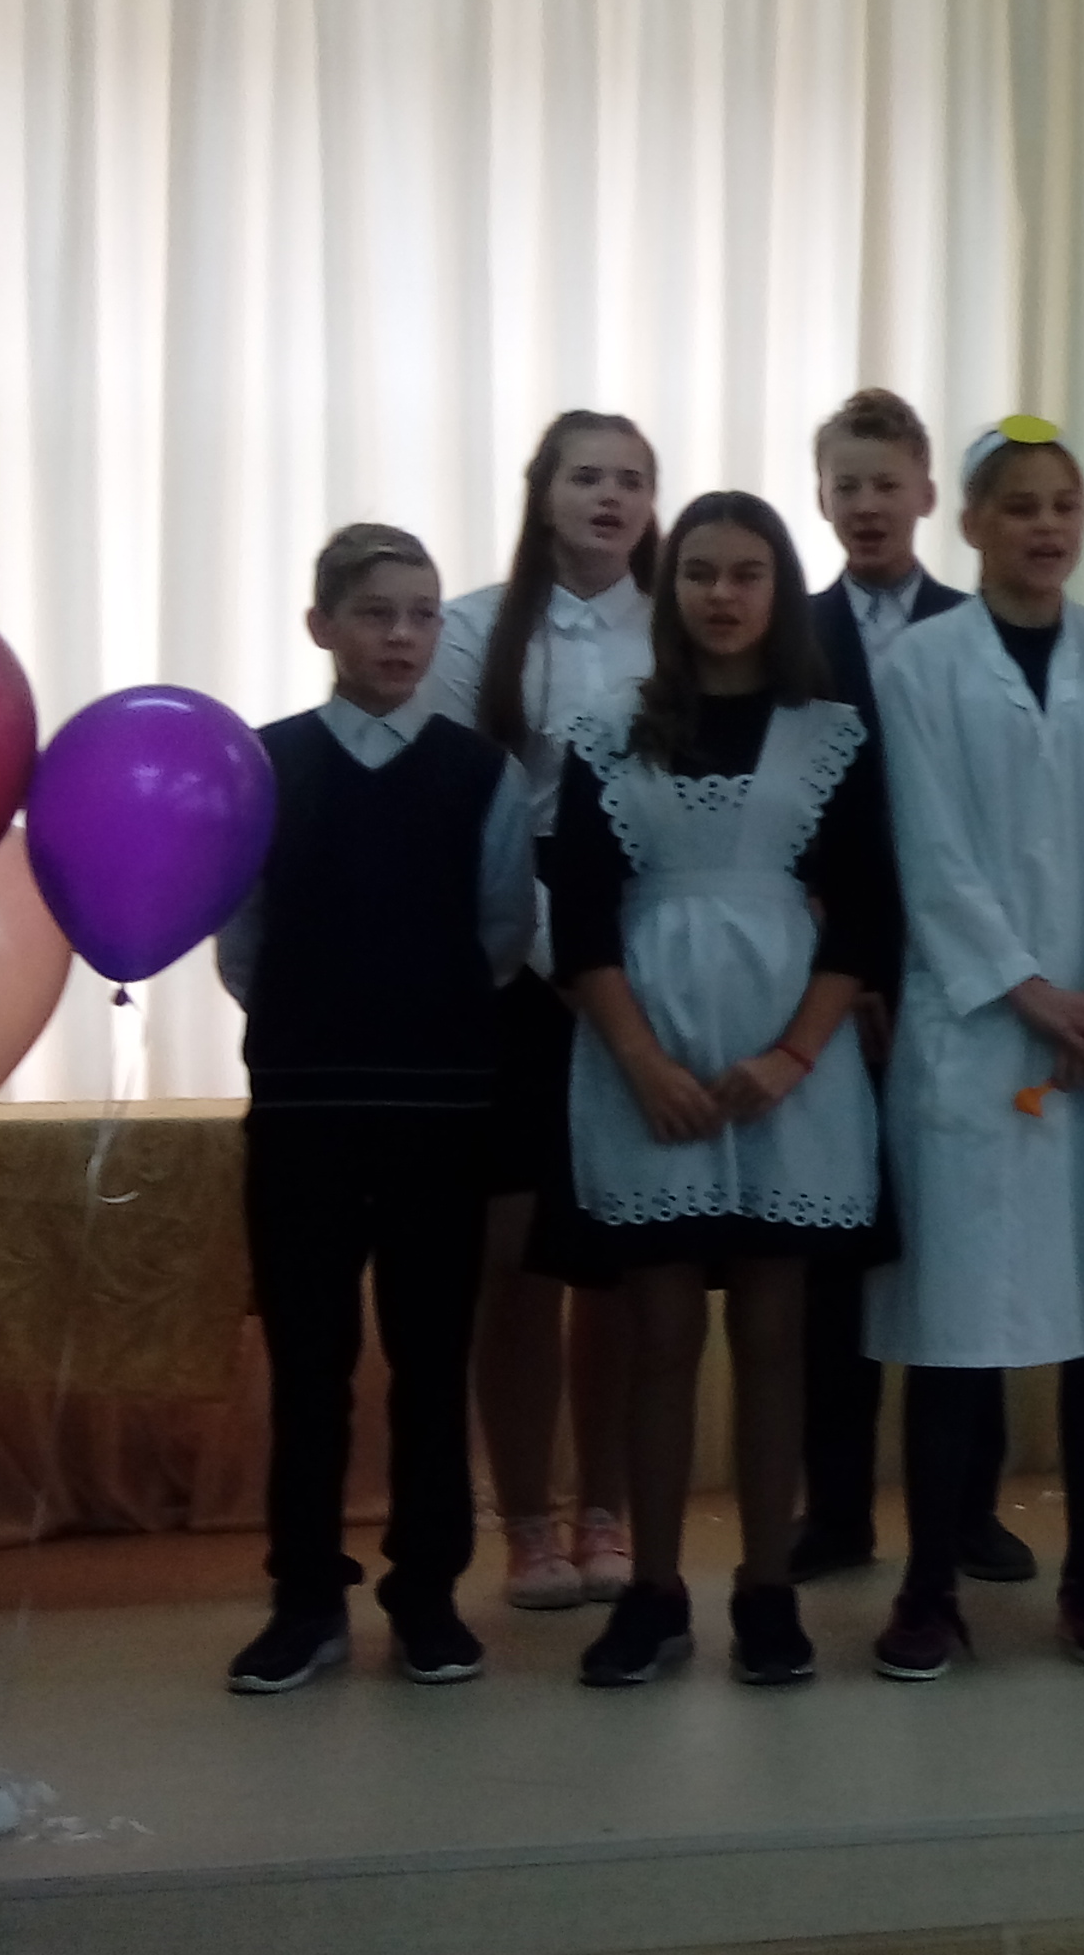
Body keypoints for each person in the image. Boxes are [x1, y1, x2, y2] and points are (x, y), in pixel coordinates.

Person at [547, 492, 901, 1688]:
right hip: (645, 1067)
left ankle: (764, 1589)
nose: (721, 594)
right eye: (699, 572)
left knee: (772, 1333)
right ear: (672, 589)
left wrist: (793, 1054)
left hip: (786, 1073)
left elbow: (866, 915)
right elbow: (579, 918)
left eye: (747, 573)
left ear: (777, 589)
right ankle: (652, 1592)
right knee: (656, 1334)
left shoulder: (831, 733)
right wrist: (642, 1061)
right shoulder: (608, 729)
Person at [865, 420, 1084, 1678]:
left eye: (1063, 503)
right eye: (1018, 505)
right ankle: (927, 1584)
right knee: (958, 1322)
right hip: (977, 1037)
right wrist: (1031, 993)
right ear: (971, 523)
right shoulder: (920, 665)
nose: (1045, 525)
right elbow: (930, 849)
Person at [213, 524, 538, 1693]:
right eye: (375, 612)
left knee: (430, 1357)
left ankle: (427, 1595)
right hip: (303, 1110)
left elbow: (503, 932)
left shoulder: (480, 774)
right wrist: (323, 1023)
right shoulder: (264, 766)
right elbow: (241, 943)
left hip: (437, 1112)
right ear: (321, 626)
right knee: (309, 1360)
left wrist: (415, 1018)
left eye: (421, 613)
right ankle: (304, 1599)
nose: (402, 635)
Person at [791, 387, 1025, 1588]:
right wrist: (841, 973)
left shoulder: (985, 629)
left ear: (930, 494)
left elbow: (996, 826)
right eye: (847, 485)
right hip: (825, 984)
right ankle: (835, 1508)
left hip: (963, 978)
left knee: (965, 1241)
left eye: (888, 483)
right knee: (835, 1250)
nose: (868, 503)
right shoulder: (784, 633)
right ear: (820, 497)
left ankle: (967, 1504)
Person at [424, 411, 656, 1613]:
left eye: (630, 479)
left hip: (644, 957)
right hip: (510, 965)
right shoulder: (473, 628)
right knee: (512, 1259)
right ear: (542, 491)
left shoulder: (677, 624)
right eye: (585, 476)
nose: (608, 497)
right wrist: (558, 949)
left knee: (614, 1256)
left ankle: (607, 1506)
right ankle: (523, 1521)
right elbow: (467, 810)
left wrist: (614, 958)